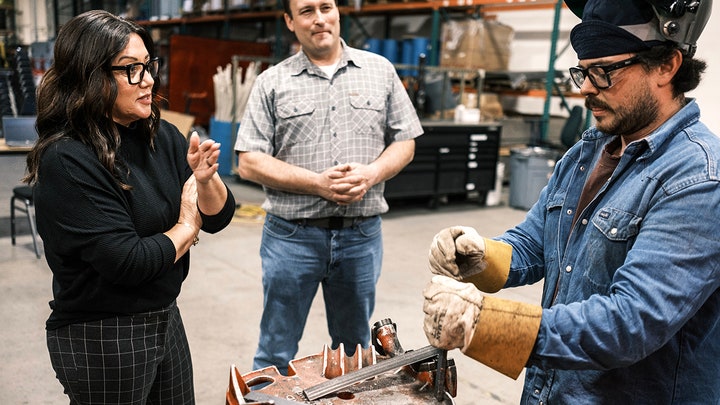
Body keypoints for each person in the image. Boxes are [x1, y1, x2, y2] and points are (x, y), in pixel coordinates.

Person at [422, 0, 719, 403]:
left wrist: (486, 325)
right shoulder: (591, 149)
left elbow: (631, 324)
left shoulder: (697, 178)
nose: (585, 89)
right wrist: (481, 256)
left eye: (604, 72)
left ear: (667, 66)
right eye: (582, 71)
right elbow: (538, 242)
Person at [24, 10, 236, 404]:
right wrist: (187, 223)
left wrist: (205, 182)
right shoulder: (68, 160)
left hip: (165, 315)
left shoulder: (160, 133)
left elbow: (220, 216)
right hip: (102, 332)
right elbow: (129, 261)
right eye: (131, 69)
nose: (149, 79)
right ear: (91, 77)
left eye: (149, 65)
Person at [234, 0, 423, 373]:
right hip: (292, 238)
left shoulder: (379, 71)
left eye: (326, 7)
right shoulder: (272, 82)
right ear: (290, 21)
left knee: (355, 353)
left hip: (360, 238)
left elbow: (406, 141)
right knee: (275, 349)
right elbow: (248, 161)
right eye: (306, 11)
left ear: (338, 13)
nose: (319, 19)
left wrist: (371, 174)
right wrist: (317, 184)